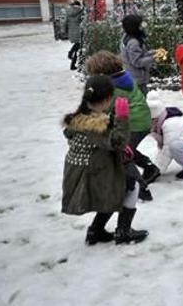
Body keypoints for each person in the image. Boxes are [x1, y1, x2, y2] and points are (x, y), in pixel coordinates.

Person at [61, 75, 148, 245]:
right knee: (130, 186)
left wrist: (113, 123)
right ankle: (123, 231)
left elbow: (103, 141)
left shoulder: (81, 116)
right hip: (93, 172)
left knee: (115, 193)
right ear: (107, 98)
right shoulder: (94, 123)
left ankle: (96, 231)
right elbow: (117, 142)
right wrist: (122, 119)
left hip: (83, 169)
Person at [86, 51, 160, 201]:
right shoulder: (122, 78)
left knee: (120, 155)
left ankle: (141, 188)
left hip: (134, 123)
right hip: (141, 119)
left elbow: (101, 109)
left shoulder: (112, 87)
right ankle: (150, 168)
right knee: (126, 148)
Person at [146, 92, 183, 179]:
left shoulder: (169, 123)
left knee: (175, 146)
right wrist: (155, 166)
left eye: (151, 120)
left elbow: (167, 149)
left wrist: (157, 170)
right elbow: (162, 148)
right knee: (175, 145)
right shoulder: (161, 122)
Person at [120, 14, 158, 95]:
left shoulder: (127, 37)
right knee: (140, 102)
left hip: (133, 76)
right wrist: (153, 58)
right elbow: (137, 62)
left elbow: (140, 54)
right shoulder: (133, 42)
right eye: (140, 25)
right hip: (137, 79)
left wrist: (153, 52)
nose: (142, 27)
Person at [66, 0, 84, 70]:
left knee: (77, 45)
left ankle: (70, 53)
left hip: (71, 32)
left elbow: (66, 23)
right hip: (78, 32)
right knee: (78, 48)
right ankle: (73, 65)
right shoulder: (80, 11)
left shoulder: (69, 12)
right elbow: (82, 20)